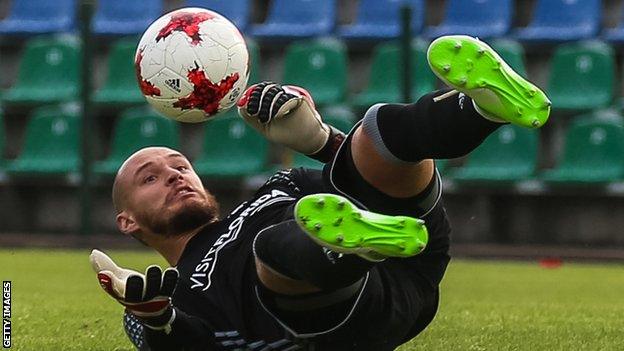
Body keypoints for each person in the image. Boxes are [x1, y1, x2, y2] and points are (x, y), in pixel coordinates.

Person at [90, 35, 551, 351]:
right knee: (274, 246)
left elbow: (358, 178)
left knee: (377, 131)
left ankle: (485, 110)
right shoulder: (170, 292)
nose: (174, 176)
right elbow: (182, 342)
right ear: (126, 220)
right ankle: (349, 248)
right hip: (338, 318)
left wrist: (316, 138)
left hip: (413, 249)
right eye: (150, 178)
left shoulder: (276, 188)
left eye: (181, 166)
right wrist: (154, 316)